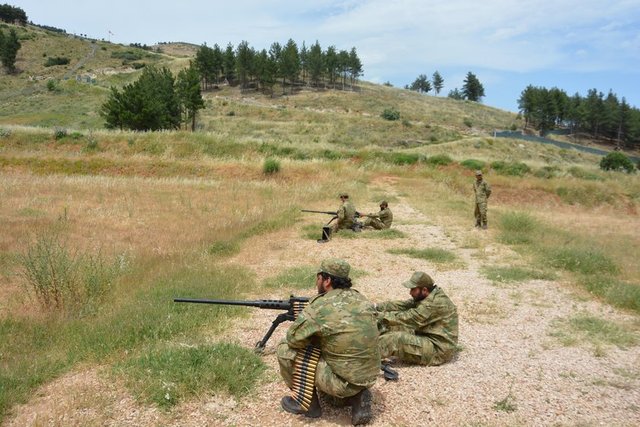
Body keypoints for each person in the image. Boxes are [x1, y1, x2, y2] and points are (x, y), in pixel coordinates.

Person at [277, 258, 380, 425]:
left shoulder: (320, 305)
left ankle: (308, 406)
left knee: (284, 350)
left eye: (318, 278)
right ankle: (357, 396)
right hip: (369, 376)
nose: (316, 282)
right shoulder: (362, 299)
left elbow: (293, 339)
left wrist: (310, 327)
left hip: (342, 382)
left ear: (327, 280)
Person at [376, 271, 458, 366]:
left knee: (395, 339)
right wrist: (375, 306)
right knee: (386, 326)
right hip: (426, 335)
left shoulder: (432, 304)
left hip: (437, 350)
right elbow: (404, 305)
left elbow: (407, 318)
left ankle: (363, 358)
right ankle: (365, 341)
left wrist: (377, 315)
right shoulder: (429, 295)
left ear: (424, 290)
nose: (410, 292)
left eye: (413, 289)